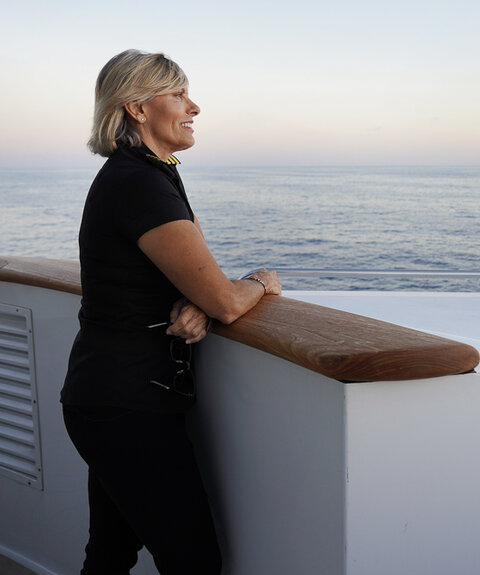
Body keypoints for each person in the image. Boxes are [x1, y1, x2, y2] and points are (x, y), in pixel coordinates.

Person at [61, 49, 281, 574]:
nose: (195, 107)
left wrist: (199, 304)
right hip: (126, 402)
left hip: (113, 394)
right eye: (179, 94)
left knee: (112, 553)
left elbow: (198, 283)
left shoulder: (151, 173)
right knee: (193, 561)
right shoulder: (139, 184)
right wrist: (259, 281)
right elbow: (225, 299)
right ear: (137, 108)